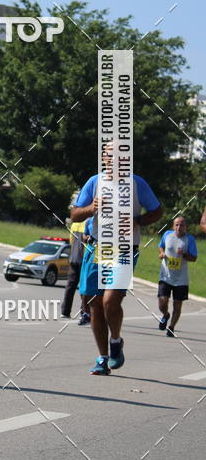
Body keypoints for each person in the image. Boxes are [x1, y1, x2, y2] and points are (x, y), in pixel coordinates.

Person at [71, 143, 162, 375]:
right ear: (104, 157)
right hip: (98, 247)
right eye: (110, 155)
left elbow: (157, 211)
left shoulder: (136, 183)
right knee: (95, 305)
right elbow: (74, 214)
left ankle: (116, 341)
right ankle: (102, 357)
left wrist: (138, 221)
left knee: (111, 301)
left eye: (120, 155)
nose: (115, 159)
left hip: (124, 248)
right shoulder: (94, 182)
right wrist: (91, 208)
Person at [157, 215, 198, 336]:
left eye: (182, 225)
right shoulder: (167, 235)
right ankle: (165, 314)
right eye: (177, 224)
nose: (179, 227)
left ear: (186, 227)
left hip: (181, 279)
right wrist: (162, 253)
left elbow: (194, 258)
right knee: (162, 302)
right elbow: (161, 246)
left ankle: (171, 327)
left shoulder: (189, 239)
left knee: (177, 304)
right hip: (166, 275)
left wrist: (184, 254)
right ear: (173, 226)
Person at [61, 220, 90, 324]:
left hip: (74, 257)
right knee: (84, 288)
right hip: (85, 259)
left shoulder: (74, 224)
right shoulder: (89, 222)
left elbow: (71, 241)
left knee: (70, 286)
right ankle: (84, 312)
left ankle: (65, 311)